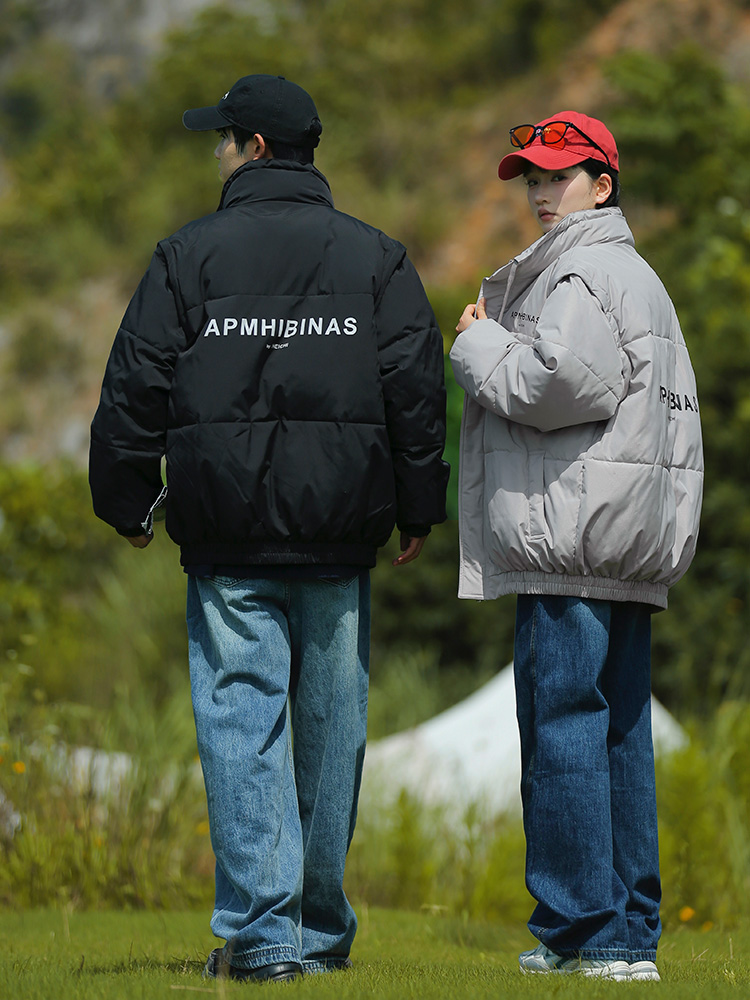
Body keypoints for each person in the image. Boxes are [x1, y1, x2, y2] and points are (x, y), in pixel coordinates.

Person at [89, 73, 449, 983]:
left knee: (241, 724)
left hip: (227, 532)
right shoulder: (378, 259)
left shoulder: (188, 254)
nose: (214, 154)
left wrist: (127, 500)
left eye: (222, 140)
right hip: (339, 531)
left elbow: (134, 383)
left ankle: (262, 938)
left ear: (252, 148)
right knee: (334, 736)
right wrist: (418, 505)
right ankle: (318, 935)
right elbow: (416, 391)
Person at [450, 112, 703, 982]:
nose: (541, 192)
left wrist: (476, 341)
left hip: (572, 538)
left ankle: (580, 932)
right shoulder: (640, 276)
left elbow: (558, 383)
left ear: (603, 184)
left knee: (562, 727)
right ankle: (628, 937)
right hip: (625, 540)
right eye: (532, 177)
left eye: (559, 175)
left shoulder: (581, 272)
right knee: (620, 735)